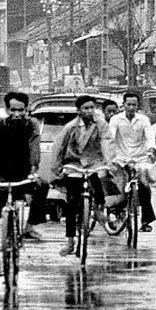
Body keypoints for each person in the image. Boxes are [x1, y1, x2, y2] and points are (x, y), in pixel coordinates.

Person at [0, 91, 43, 279]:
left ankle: (29, 227)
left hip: (24, 173)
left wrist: (33, 170)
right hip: (0, 175)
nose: (17, 114)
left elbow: (34, 146)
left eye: (21, 110)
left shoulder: (32, 125)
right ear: (7, 109)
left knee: (43, 187)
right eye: (13, 110)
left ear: (26, 110)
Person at [51, 95, 116, 257]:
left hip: (94, 162)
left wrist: (110, 163)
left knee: (99, 184)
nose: (89, 111)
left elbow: (107, 142)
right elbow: (58, 147)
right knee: (71, 204)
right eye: (86, 108)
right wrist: (56, 166)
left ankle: (99, 210)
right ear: (78, 110)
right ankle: (70, 241)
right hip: (74, 165)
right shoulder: (70, 127)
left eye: (92, 108)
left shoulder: (101, 125)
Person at [107, 91, 156, 233]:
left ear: (137, 106)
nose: (131, 107)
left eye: (134, 105)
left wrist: (151, 149)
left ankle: (146, 220)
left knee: (144, 187)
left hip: (139, 158)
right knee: (117, 185)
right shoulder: (116, 119)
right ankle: (115, 209)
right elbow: (110, 136)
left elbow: (149, 136)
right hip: (120, 158)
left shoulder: (143, 120)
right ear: (123, 105)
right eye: (128, 104)